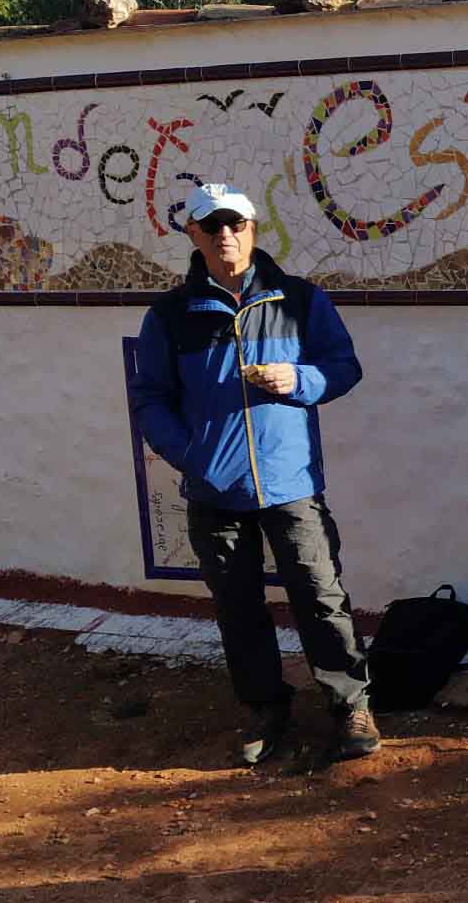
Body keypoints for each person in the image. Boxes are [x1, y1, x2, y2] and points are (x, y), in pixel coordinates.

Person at [127, 183, 376, 767]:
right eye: (211, 227)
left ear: (254, 228)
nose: (225, 236)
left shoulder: (300, 300)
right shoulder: (170, 316)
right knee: (237, 608)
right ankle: (266, 708)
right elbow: (149, 400)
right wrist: (193, 457)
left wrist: (301, 382)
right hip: (215, 490)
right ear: (192, 235)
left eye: (235, 224)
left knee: (320, 596)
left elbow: (344, 367)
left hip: (292, 484)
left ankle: (350, 707)